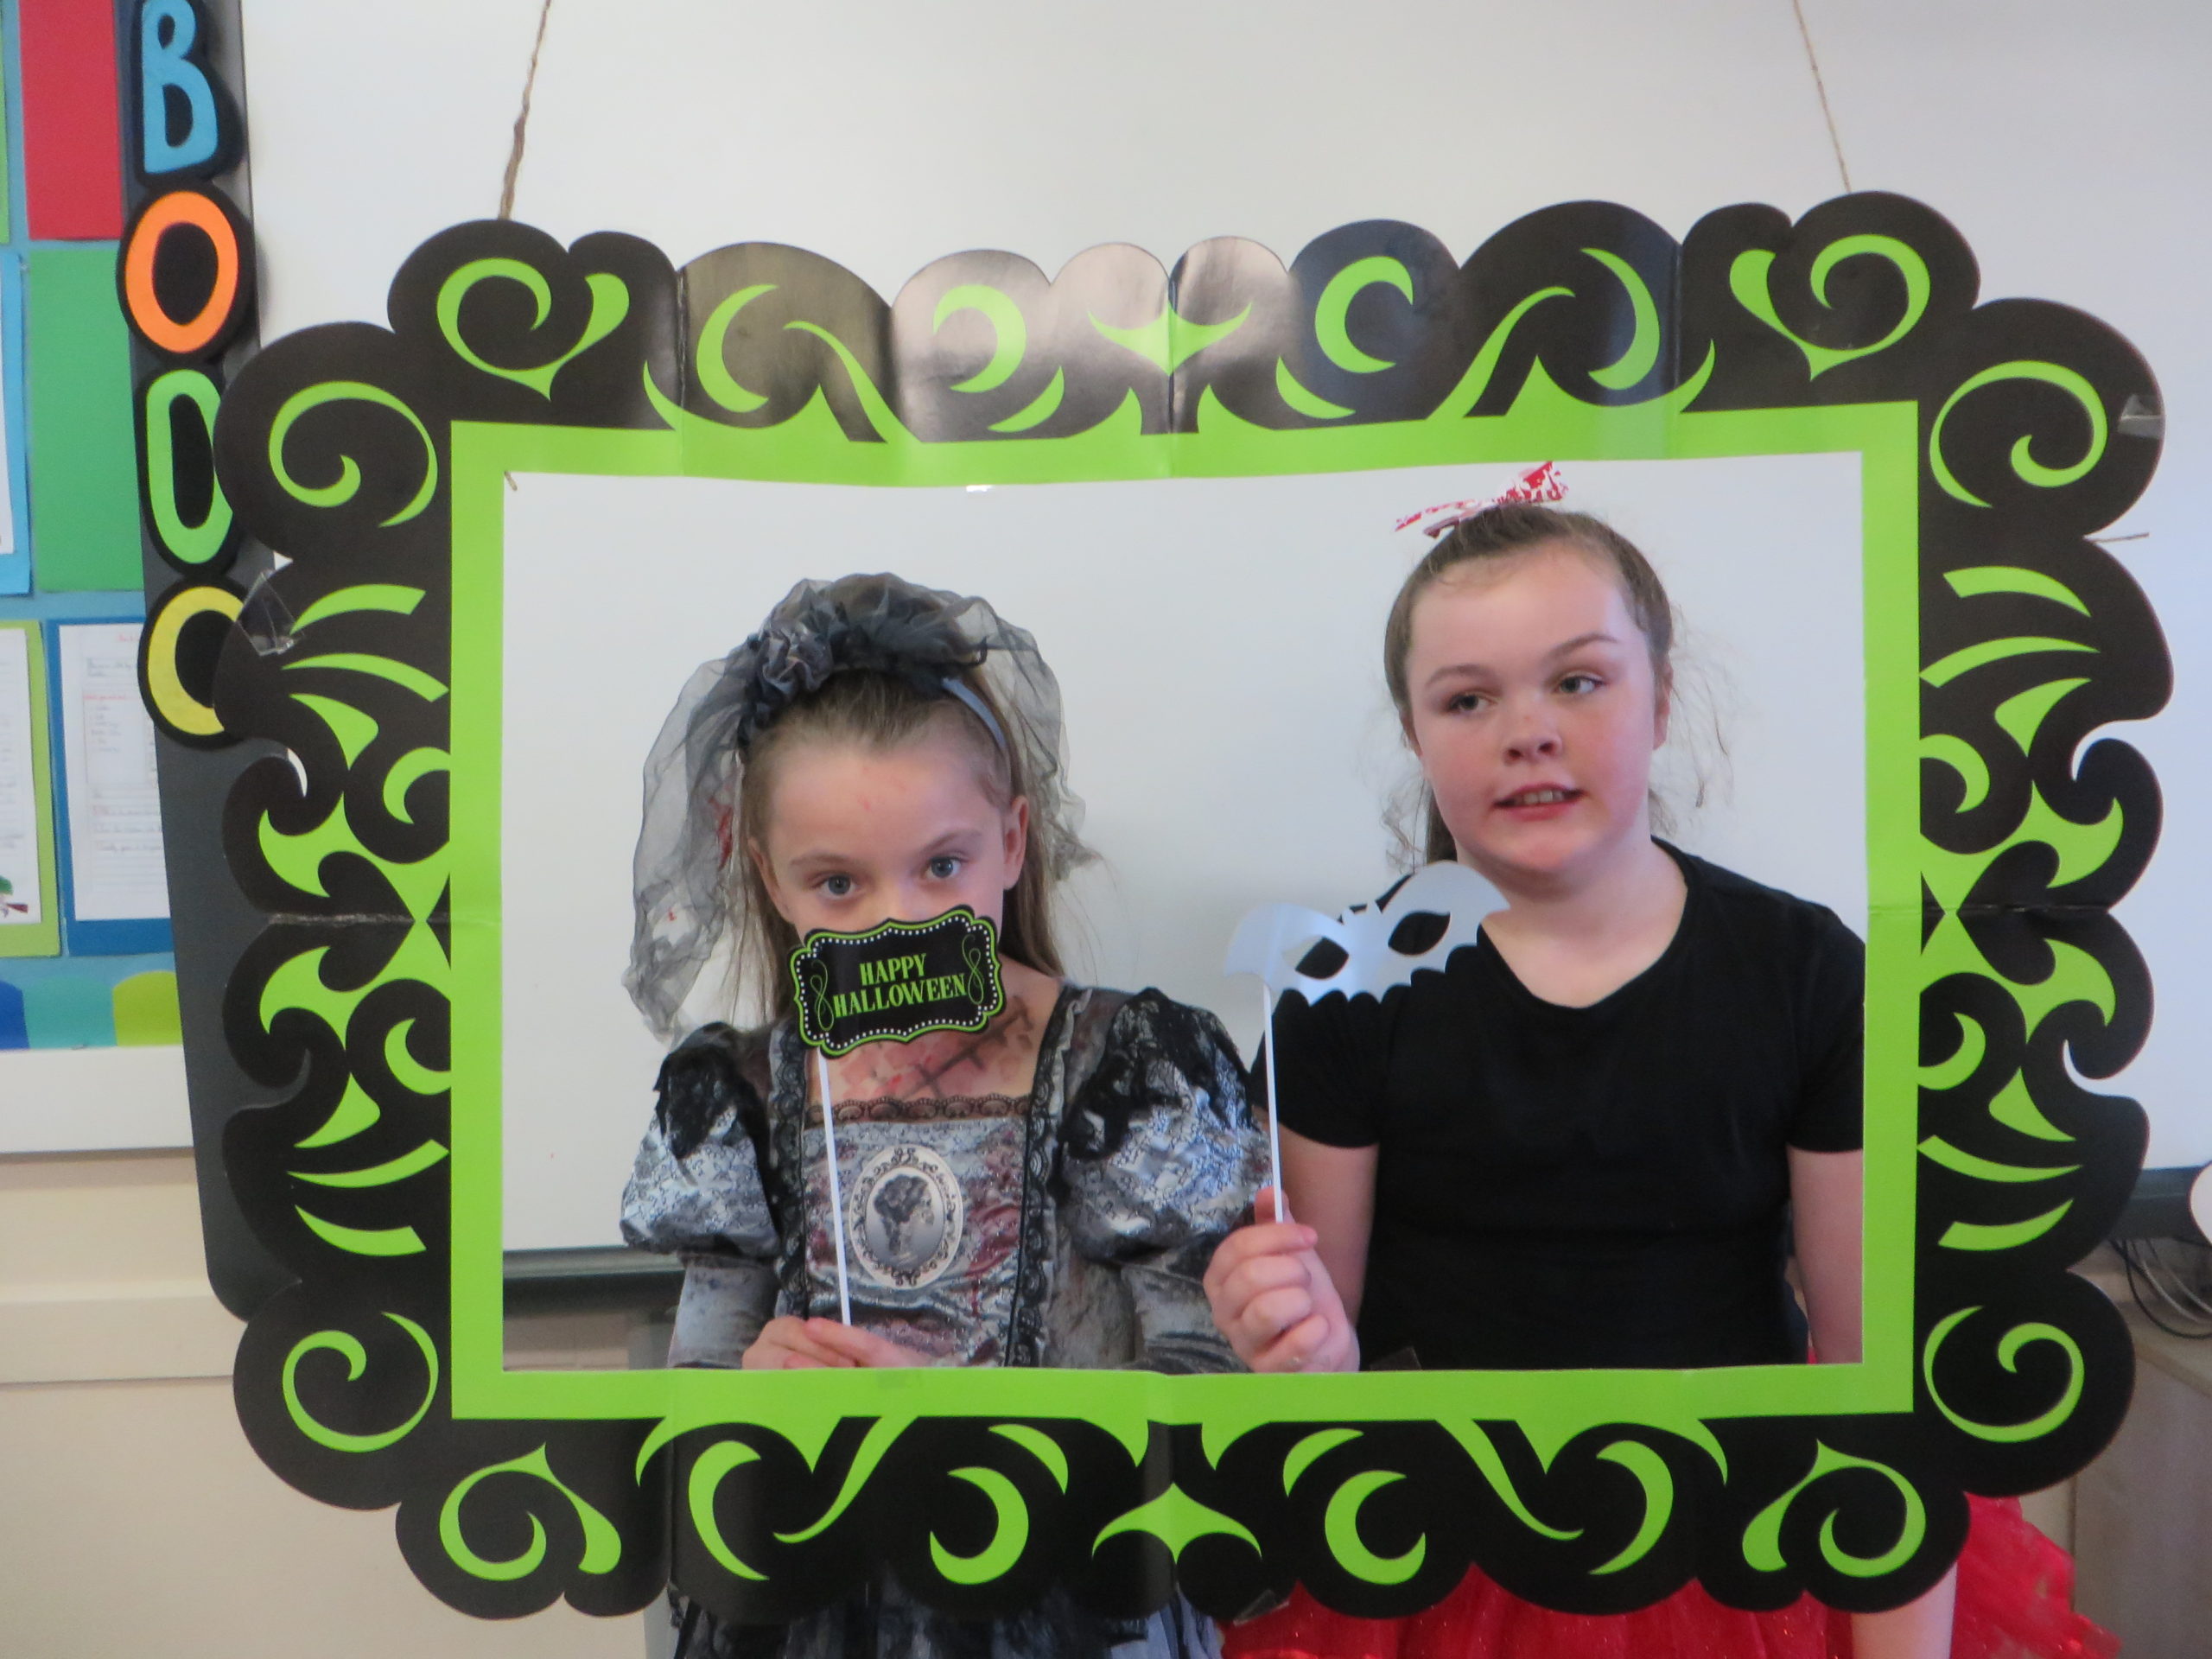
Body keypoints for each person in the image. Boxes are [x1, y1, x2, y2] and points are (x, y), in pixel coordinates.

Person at [1202, 501, 2114, 1659]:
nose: (1528, 733)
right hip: (1431, 1546)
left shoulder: (1803, 973)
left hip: (1740, 1541)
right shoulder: (1340, 992)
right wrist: (1290, 1349)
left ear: (1663, 699)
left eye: (1578, 682)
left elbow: (1868, 1380)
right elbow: (1319, 1377)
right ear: (1415, 735)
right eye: (1467, 700)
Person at [620, 573, 1260, 1658]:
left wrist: (959, 1418)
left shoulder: (1125, 1070)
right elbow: (696, 1405)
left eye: (942, 866)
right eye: (838, 885)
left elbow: (1204, 1389)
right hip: (817, 1613)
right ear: (768, 877)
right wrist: (749, 1401)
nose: (897, 921)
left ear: (1012, 841)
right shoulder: (743, 1092)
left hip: (1074, 1605)